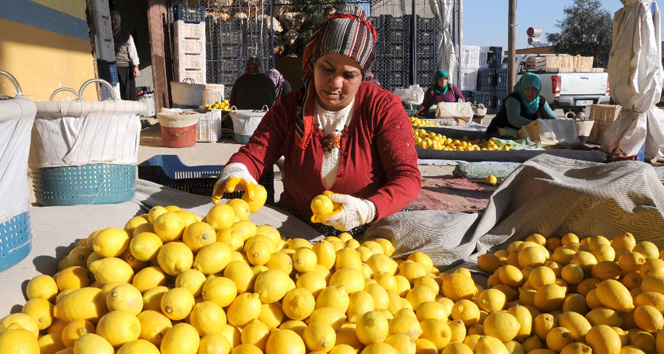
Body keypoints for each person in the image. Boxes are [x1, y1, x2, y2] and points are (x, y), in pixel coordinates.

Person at [212, 6, 422, 236]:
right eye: (327, 68)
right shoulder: (289, 107)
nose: (335, 82)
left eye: (349, 75)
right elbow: (255, 154)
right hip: (295, 226)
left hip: (365, 230)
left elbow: (407, 177)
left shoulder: (383, 108)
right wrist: (238, 170)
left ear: (363, 76)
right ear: (314, 62)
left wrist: (367, 209)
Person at [486, 72, 558, 136]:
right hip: (500, 134)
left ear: (538, 89)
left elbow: (554, 119)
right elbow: (514, 118)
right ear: (522, 87)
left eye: (534, 90)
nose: (530, 93)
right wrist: (536, 124)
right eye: (527, 89)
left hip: (525, 135)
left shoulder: (541, 101)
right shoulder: (514, 98)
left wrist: (563, 125)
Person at [111, 10, 140, 101]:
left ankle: (132, 113)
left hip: (125, 68)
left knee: (128, 93)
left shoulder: (127, 36)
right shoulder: (107, 36)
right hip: (112, 68)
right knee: (115, 93)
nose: (113, 22)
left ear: (120, 21)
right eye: (112, 20)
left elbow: (133, 51)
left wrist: (136, 66)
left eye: (115, 20)